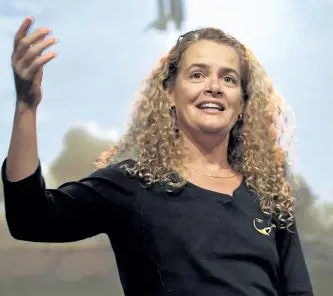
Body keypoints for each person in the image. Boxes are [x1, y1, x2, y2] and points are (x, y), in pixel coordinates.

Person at [2, 17, 314, 296]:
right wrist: (26, 106)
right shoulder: (132, 185)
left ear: (243, 102)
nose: (214, 87)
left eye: (229, 79)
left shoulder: (268, 199)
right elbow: (30, 218)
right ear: (169, 91)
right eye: (197, 75)